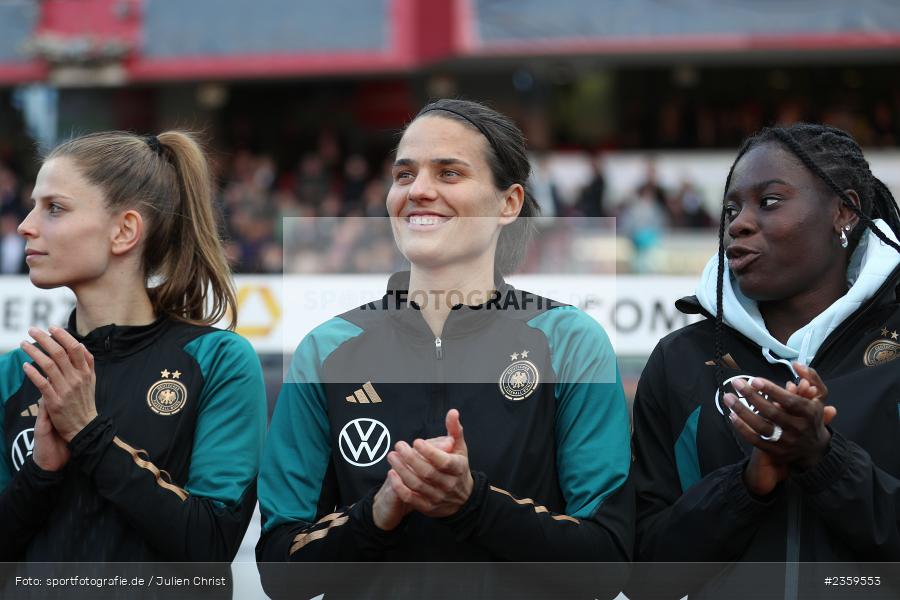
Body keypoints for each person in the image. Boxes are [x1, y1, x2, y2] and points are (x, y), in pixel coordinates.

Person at [257, 99, 632, 598]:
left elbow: (607, 564)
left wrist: (473, 503)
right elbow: (281, 571)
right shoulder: (327, 352)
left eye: (449, 173)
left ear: (509, 204)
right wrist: (380, 509)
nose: (420, 191)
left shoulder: (569, 342)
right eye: (404, 175)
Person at [631, 123, 900, 599]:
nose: (739, 223)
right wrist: (746, 485)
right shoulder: (682, 362)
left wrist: (823, 458)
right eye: (731, 208)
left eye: (769, 201)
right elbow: (646, 574)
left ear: (844, 211)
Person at [0, 131, 267, 564]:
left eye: (54, 208)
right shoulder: (15, 373)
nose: (25, 224)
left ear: (124, 231)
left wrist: (89, 435)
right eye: (33, 205)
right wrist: (40, 474)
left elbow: (210, 543)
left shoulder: (218, 361)